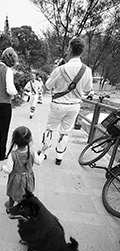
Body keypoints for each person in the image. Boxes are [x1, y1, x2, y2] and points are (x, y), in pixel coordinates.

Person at [43, 37, 93, 165]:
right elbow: (87, 89)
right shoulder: (87, 70)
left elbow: (47, 86)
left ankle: (44, 153)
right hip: (74, 106)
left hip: (59, 104)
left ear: (70, 49)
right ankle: (59, 157)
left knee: (50, 128)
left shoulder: (60, 69)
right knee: (65, 132)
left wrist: (54, 69)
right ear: (81, 51)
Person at [1, 126, 47, 211]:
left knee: (12, 192)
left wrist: (3, 167)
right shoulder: (32, 152)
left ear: (14, 141)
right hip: (28, 178)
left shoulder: (13, 155)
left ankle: (10, 206)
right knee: (26, 194)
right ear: (30, 140)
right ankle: (23, 208)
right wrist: (43, 152)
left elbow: (8, 170)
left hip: (15, 180)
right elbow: (39, 162)